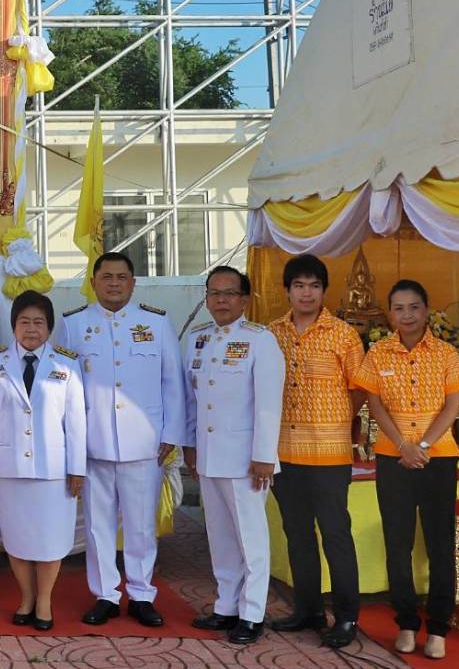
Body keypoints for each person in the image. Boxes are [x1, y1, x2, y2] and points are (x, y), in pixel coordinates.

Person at [52, 251, 183, 628]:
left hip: (145, 443)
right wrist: (68, 441)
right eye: (106, 277)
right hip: (93, 443)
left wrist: (171, 433)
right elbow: (63, 384)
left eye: (121, 277)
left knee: (142, 525)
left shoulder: (155, 323)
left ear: (133, 282)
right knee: (97, 525)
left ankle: (142, 594)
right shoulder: (74, 324)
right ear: (93, 281)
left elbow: (171, 381)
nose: (114, 283)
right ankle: (106, 594)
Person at [354, 279, 459, 661]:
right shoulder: (378, 354)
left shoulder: (445, 353)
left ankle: (438, 627)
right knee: (398, 542)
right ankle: (406, 621)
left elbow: (452, 406)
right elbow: (374, 404)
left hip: (438, 456)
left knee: (440, 544)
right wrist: (403, 447)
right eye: (399, 308)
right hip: (393, 456)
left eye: (414, 307)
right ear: (391, 313)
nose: (407, 315)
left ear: (426, 310)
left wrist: (422, 446)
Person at [266, 254, 365, 648]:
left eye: (314, 286)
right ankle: (306, 609)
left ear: (324, 291)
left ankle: (346, 617)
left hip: (328, 453)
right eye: (298, 285)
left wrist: (335, 418)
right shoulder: (271, 333)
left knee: (336, 534)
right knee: (298, 535)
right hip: (284, 453)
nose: (306, 293)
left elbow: (359, 388)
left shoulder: (343, 335)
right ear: (287, 290)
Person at [184, 266, 285, 645]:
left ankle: (253, 611)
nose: (221, 300)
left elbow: (268, 405)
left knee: (250, 537)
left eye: (229, 293)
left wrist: (263, 455)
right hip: (209, 456)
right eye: (214, 293)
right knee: (221, 536)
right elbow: (193, 400)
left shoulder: (260, 340)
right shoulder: (198, 339)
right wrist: (190, 445)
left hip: (246, 460)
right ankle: (226, 605)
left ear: (245, 299)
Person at [0, 291, 87, 631]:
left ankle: (44, 602)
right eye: (24, 321)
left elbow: (76, 421)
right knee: (18, 539)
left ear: (49, 328)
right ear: (14, 326)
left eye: (39, 322)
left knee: (51, 540)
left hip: (54, 470)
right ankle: (25, 597)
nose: (32, 329)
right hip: (10, 468)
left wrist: (77, 468)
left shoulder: (66, 364)